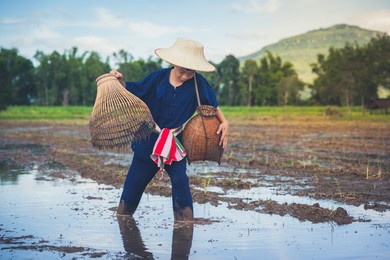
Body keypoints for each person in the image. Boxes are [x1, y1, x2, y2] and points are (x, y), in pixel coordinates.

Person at [111, 37, 229, 221]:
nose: (185, 76)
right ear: (174, 63)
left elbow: (213, 105)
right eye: (182, 71)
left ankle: (184, 224)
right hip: (148, 139)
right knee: (133, 186)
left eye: (190, 73)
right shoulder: (156, 78)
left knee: (181, 181)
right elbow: (133, 90)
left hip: (176, 141)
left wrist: (224, 122)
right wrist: (120, 80)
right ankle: (123, 217)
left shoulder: (199, 84)